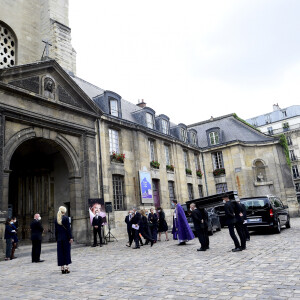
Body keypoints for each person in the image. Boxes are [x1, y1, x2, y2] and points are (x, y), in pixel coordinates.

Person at [55, 206, 73, 274]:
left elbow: (56, 231)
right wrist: (70, 237)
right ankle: (67, 268)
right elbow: (68, 229)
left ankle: (62, 268)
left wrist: (56, 238)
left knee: (60, 253)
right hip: (65, 238)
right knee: (66, 252)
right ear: (64, 211)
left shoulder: (56, 219)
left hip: (59, 238)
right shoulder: (66, 218)